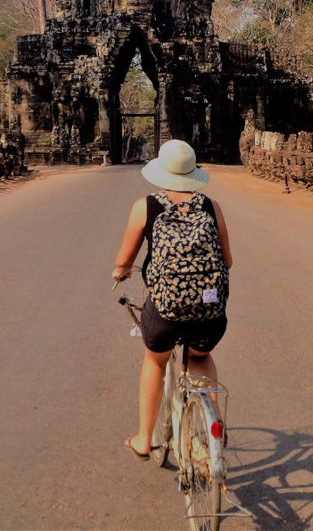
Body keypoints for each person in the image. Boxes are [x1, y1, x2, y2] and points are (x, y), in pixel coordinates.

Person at [112, 139, 233, 459]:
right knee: (199, 357)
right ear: (193, 173)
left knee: (155, 360)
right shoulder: (211, 206)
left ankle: (143, 438)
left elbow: (124, 259)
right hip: (210, 308)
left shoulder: (146, 206)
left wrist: (121, 271)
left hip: (166, 309)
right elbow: (228, 261)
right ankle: (214, 426)